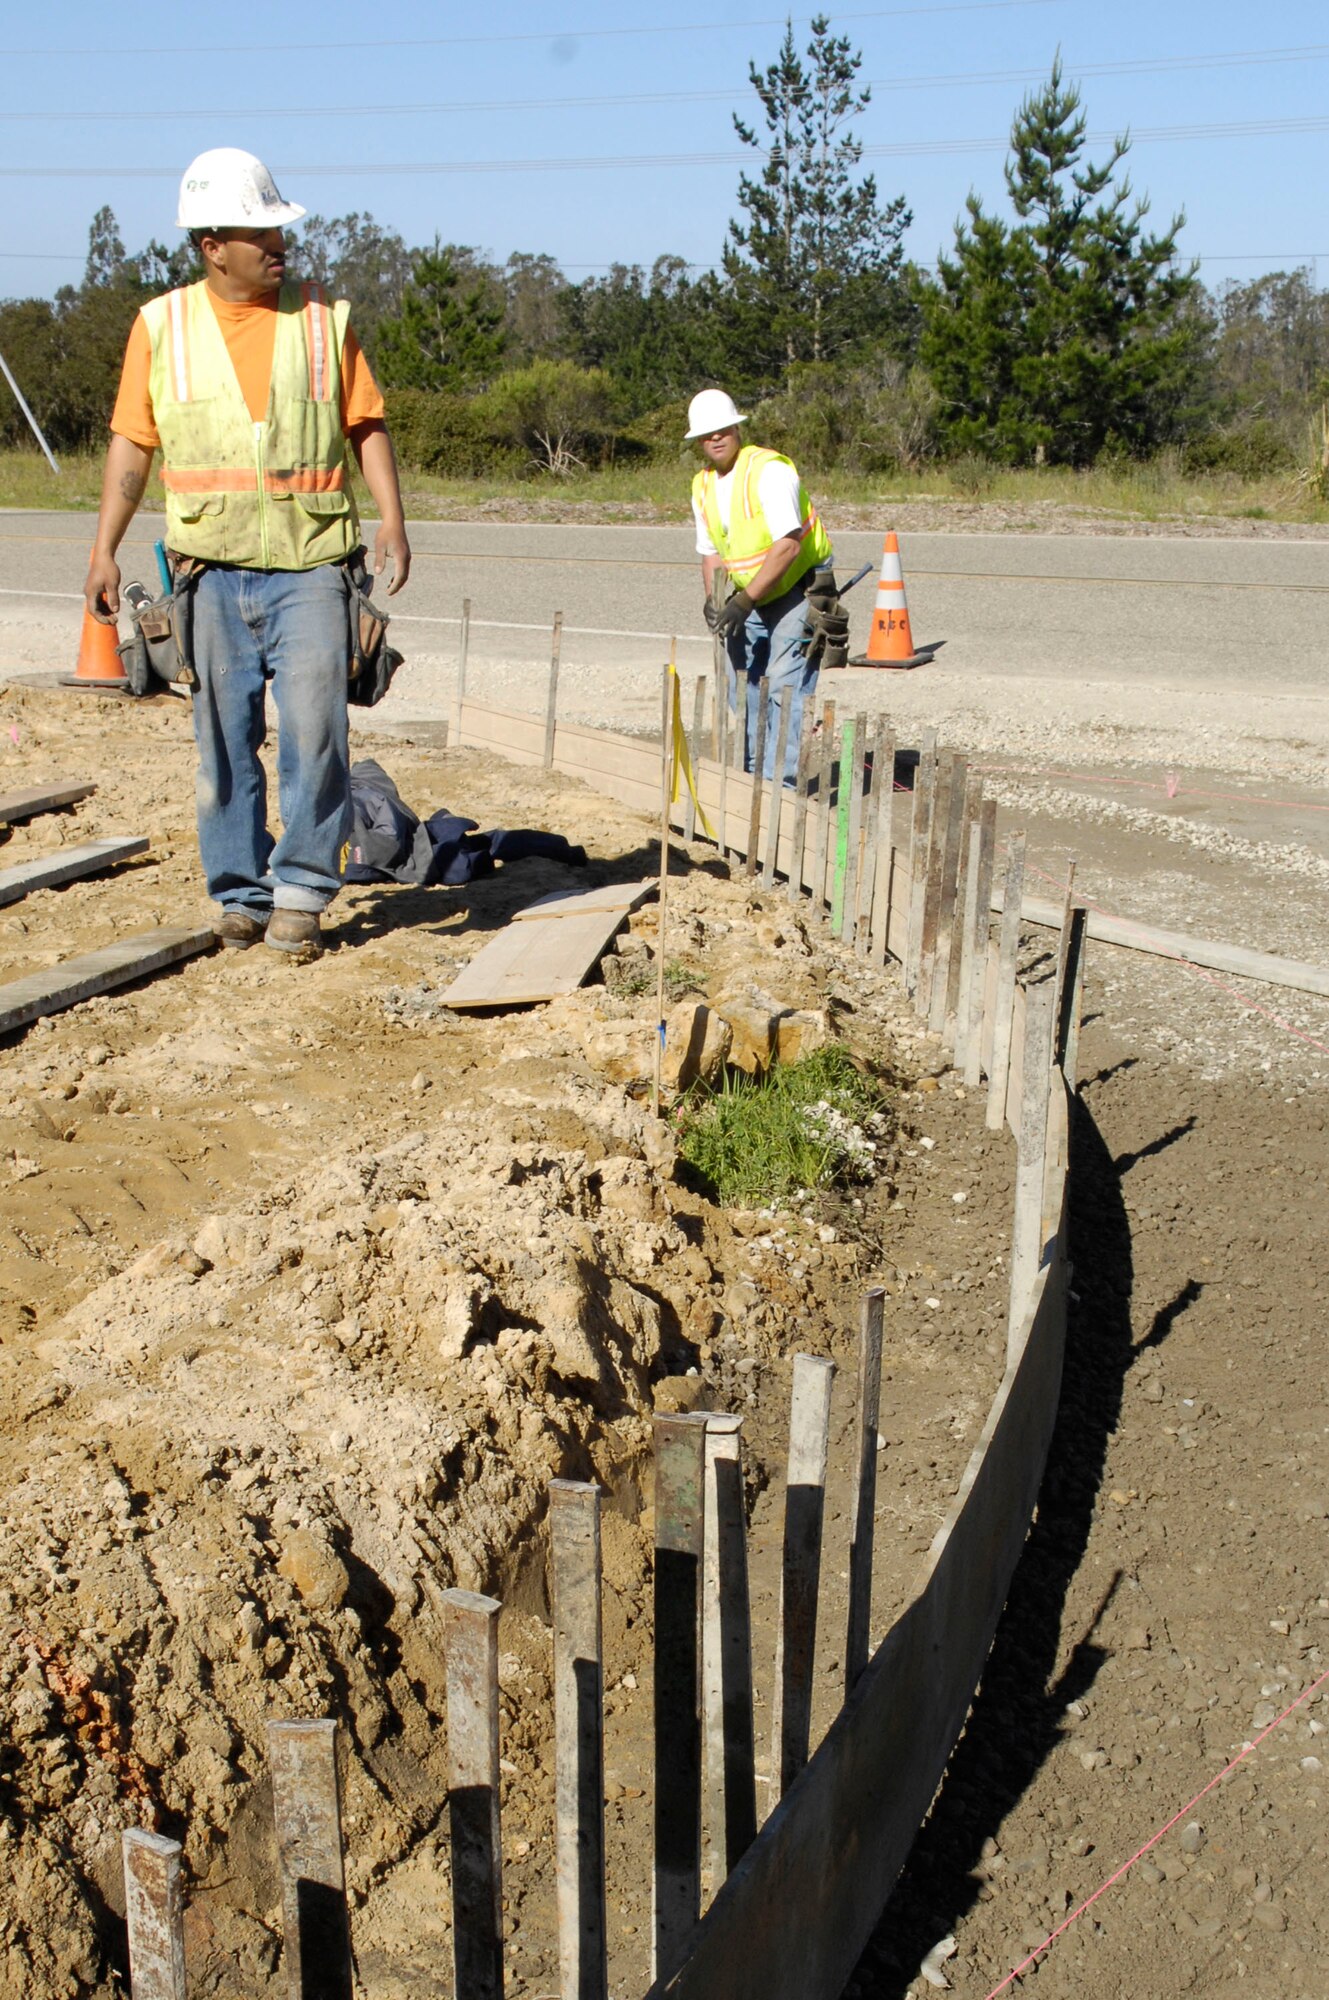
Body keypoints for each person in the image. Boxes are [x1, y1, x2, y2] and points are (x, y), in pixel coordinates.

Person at [84, 147, 411, 962]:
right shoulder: (163, 327)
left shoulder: (321, 318)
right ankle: (239, 892)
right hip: (208, 568)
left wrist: (394, 518)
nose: (279, 244)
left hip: (311, 564)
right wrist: (103, 551)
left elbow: (364, 424)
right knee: (224, 742)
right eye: (258, 231)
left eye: (279, 228)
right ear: (210, 246)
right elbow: (134, 444)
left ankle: (300, 891)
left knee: (315, 726)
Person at [687, 387, 841, 788]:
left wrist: (744, 599)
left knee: (783, 686)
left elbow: (788, 545)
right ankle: (751, 778)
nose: (716, 437)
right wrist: (715, 598)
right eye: (707, 434)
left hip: (796, 586)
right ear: (698, 442)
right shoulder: (702, 486)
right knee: (746, 686)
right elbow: (711, 554)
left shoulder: (769, 471)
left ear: (737, 428)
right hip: (748, 595)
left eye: (723, 429)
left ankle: (780, 788)